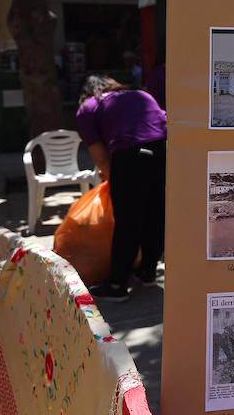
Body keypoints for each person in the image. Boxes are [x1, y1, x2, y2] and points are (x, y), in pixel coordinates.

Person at [75, 75, 167, 302]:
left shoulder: (88, 107)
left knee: (128, 221)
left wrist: (111, 182)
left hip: (131, 158)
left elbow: (101, 158)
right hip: (164, 152)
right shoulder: (141, 94)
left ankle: (117, 284)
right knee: (155, 215)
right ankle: (147, 273)